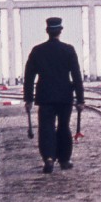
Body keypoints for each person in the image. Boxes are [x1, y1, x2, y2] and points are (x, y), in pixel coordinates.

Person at [24, 16, 85, 174]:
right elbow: (77, 76)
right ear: (60, 31)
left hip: (45, 96)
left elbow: (29, 76)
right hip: (65, 96)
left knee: (46, 128)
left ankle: (49, 158)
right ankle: (64, 160)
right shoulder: (69, 50)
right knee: (64, 127)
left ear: (47, 31)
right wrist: (80, 99)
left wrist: (28, 98)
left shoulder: (37, 51)